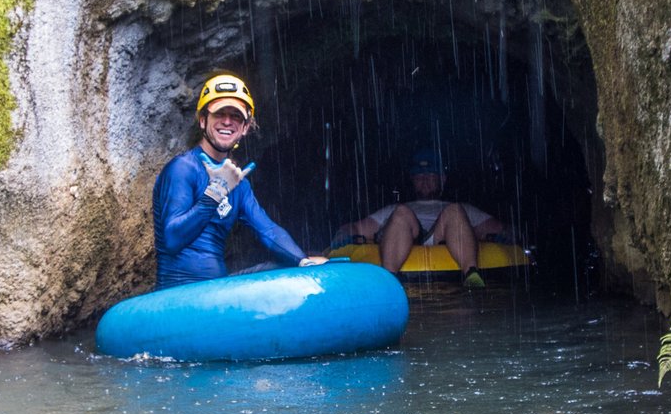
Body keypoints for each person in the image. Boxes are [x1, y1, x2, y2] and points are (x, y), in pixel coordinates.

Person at [152, 73, 327, 289]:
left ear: (245, 127)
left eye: (235, 116)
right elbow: (172, 240)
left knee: (305, 264)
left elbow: (267, 230)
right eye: (219, 114)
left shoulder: (238, 182)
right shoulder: (183, 168)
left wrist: (303, 261)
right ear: (203, 120)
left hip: (218, 288)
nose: (227, 121)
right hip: (180, 293)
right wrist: (214, 193)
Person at [332, 149, 508, 288]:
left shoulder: (461, 208)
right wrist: (342, 233)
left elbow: (499, 228)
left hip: (442, 236)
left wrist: (511, 234)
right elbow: (355, 228)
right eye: (419, 176)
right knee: (402, 212)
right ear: (412, 179)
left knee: (454, 210)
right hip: (406, 235)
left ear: (442, 179)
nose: (424, 180)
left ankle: (471, 274)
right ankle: (389, 280)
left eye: (430, 175)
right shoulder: (395, 209)